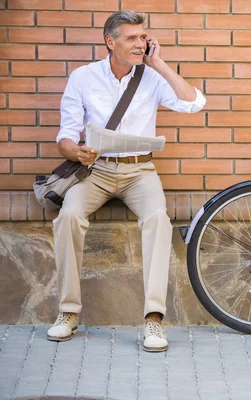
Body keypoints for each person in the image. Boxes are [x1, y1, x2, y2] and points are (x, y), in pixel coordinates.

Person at [46, 10, 206, 352]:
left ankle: (154, 319)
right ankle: (68, 313)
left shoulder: (151, 75)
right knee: (69, 217)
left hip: (140, 172)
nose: (140, 43)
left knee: (158, 221)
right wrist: (76, 152)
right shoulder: (83, 77)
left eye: (143, 37)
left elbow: (194, 103)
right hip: (96, 171)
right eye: (132, 38)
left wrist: (159, 64)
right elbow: (65, 135)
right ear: (111, 42)